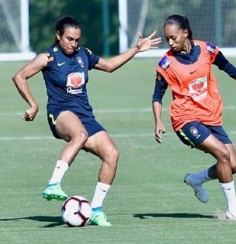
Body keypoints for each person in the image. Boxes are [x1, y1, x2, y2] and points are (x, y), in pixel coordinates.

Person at [12, 15, 161, 226]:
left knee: (112, 154)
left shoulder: (84, 54)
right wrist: (33, 104)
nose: (74, 44)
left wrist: (136, 49)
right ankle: (54, 184)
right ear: (58, 35)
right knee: (79, 135)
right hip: (60, 111)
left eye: (77, 39)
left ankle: (97, 209)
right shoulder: (49, 57)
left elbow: (109, 66)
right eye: (69, 39)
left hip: (85, 115)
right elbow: (19, 76)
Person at [152, 14, 236, 221]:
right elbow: (157, 95)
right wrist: (158, 121)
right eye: (167, 38)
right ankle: (233, 209)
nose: (170, 43)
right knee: (222, 154)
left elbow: (227, 67)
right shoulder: (166, 63)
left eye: (173, 37)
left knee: (233, 165)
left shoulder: (207, 49)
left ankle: (196, 179)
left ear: (185, 33)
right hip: (184, 120)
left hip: (211, 116)